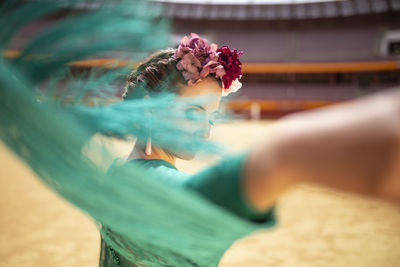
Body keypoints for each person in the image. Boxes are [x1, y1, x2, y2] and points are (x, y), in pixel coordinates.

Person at [99, 33, 400, 266]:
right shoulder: (152, 185)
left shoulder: (119, 171)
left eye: (211, 116)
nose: (205, 129)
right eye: (193, 112)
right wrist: (284, 155)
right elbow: (199, 199)